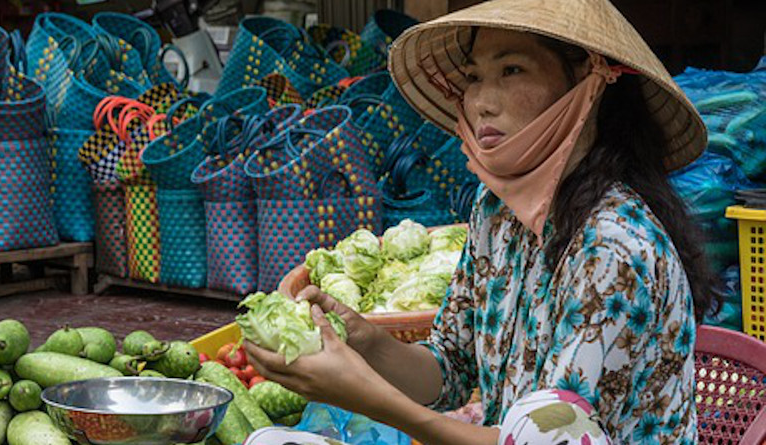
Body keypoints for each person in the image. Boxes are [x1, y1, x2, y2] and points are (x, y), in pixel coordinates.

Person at [244, 0, 718, 443]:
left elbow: (538, 438)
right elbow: (450, 370)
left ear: (587, 85)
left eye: (512, 70)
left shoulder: (614, 247)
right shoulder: (496, 213)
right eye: (474, 78)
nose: (481, 103)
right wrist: (365, 342)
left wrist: (364, 395)